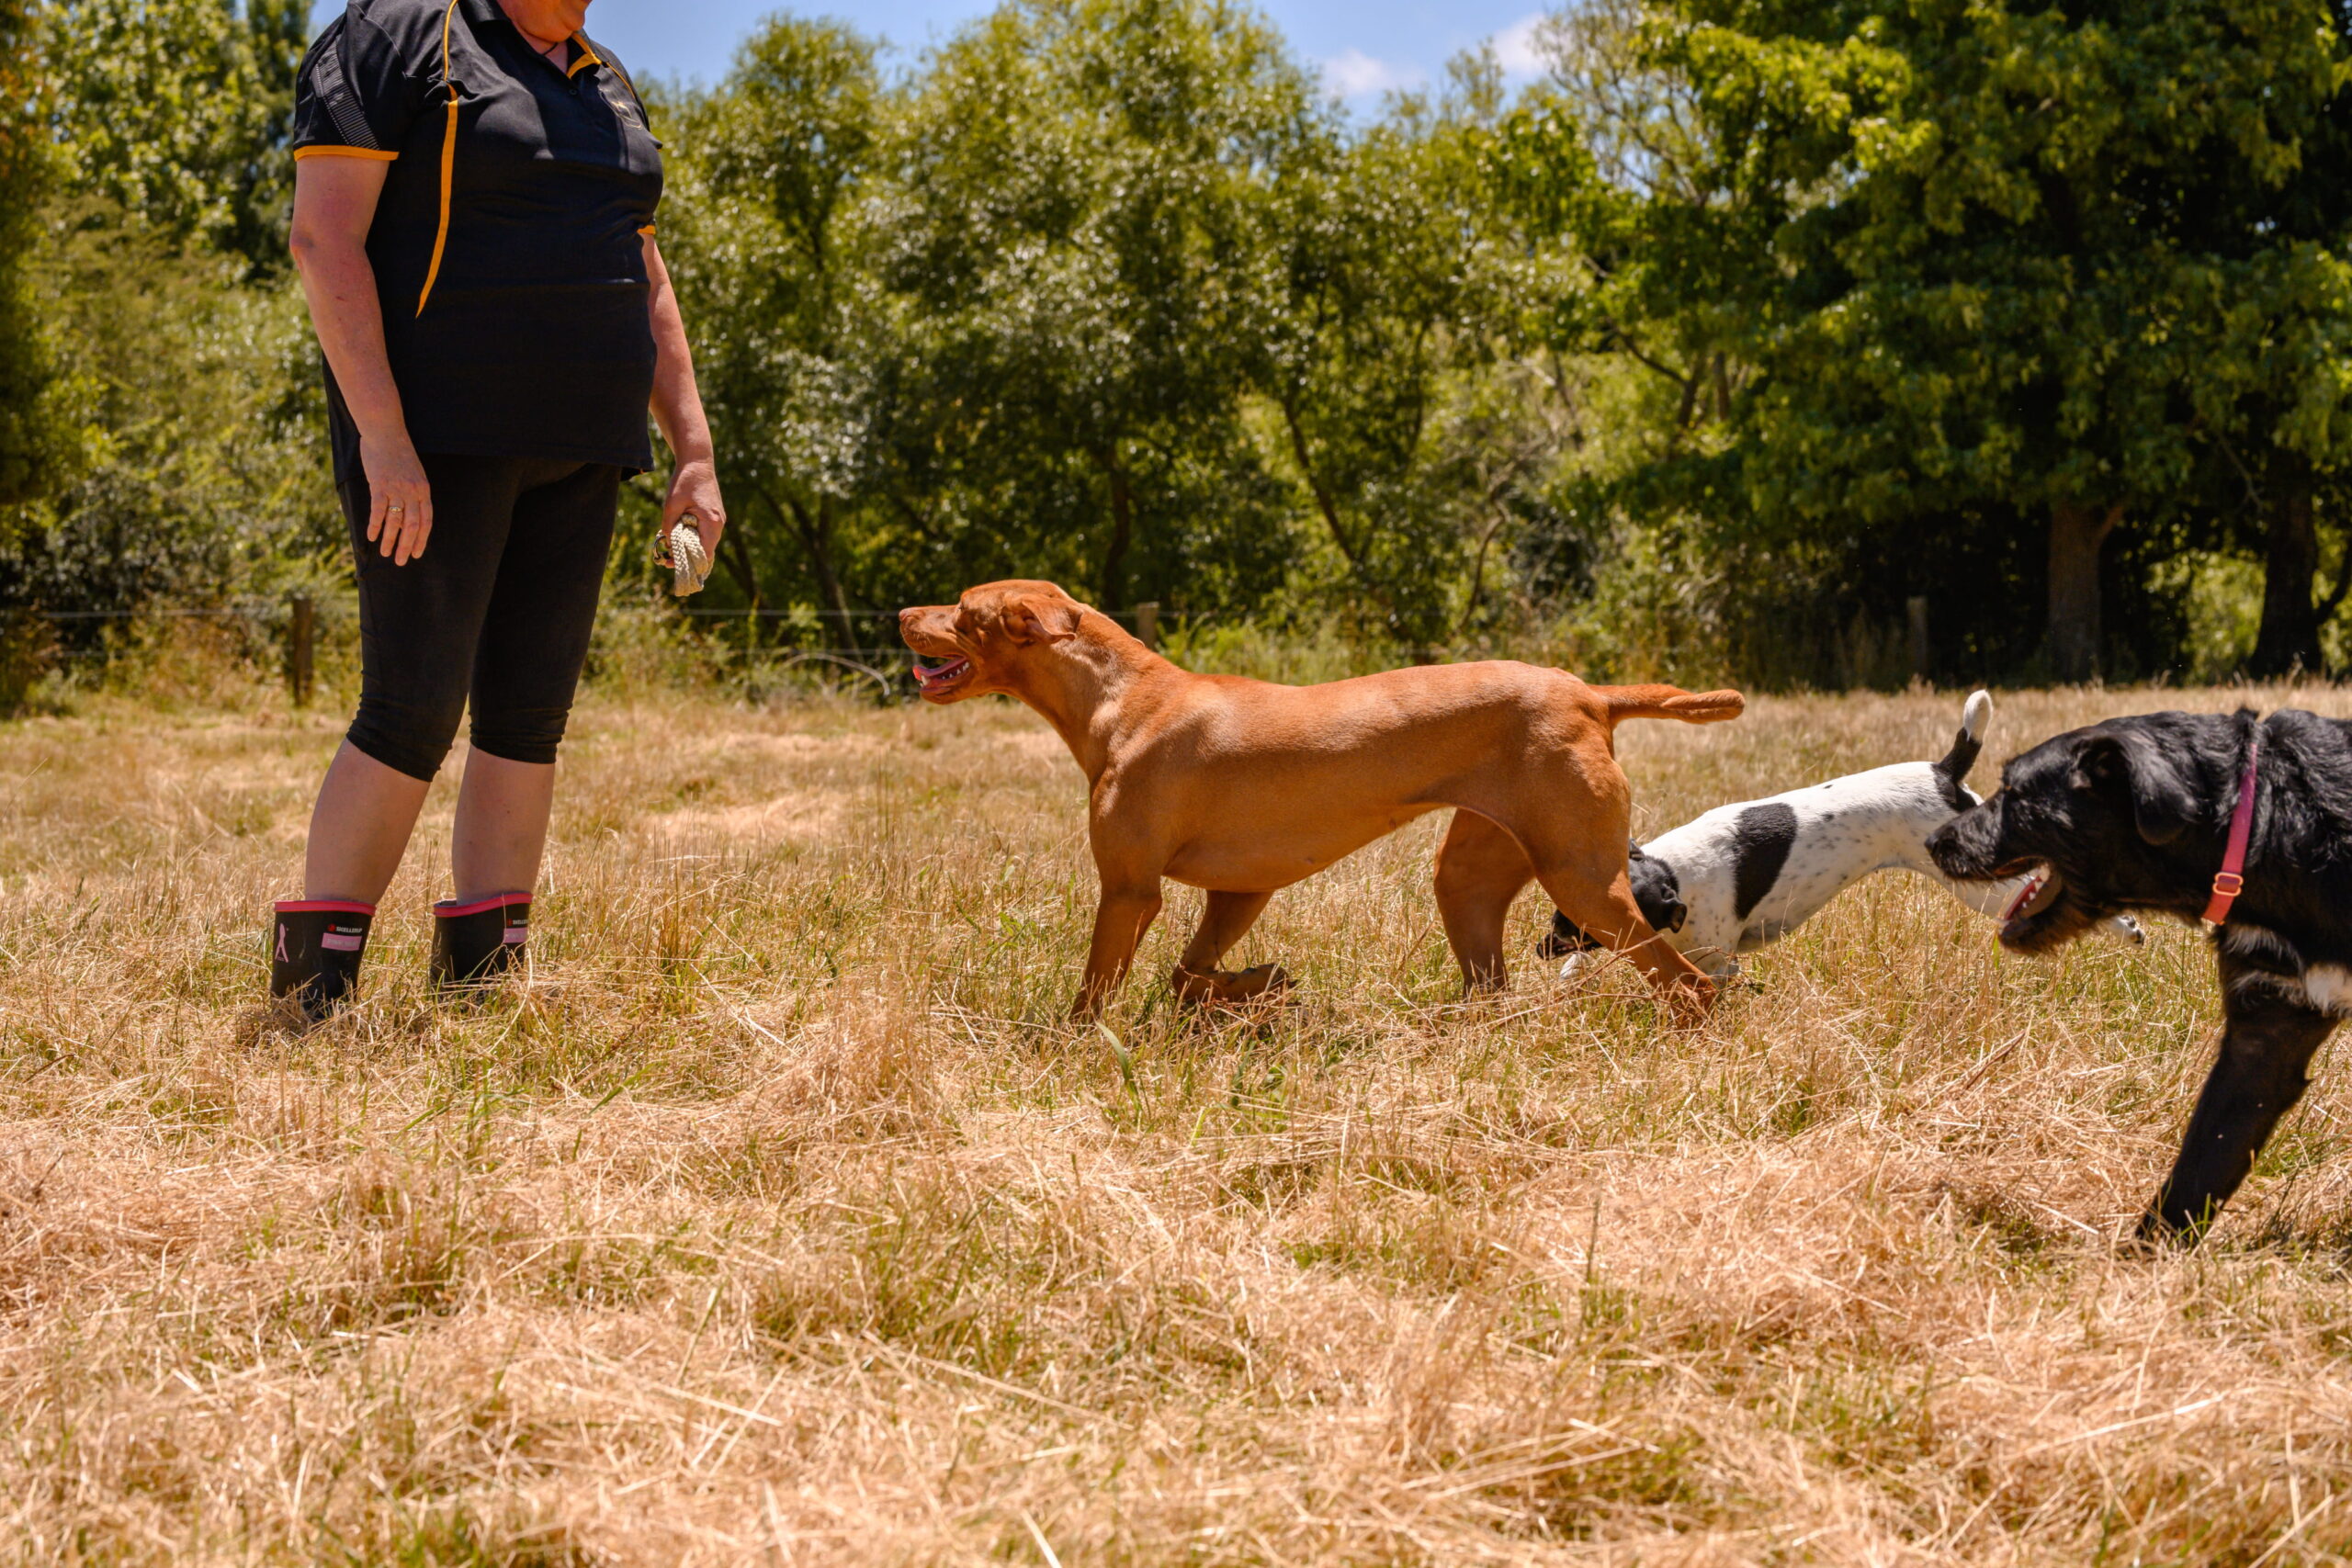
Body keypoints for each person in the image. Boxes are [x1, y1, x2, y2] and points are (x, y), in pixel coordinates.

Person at [269, 0, 724, 1021]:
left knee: (528, 717)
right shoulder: (395, 36)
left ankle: (482, 990)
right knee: (412, 708)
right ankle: (312, 999)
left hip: (586, 447)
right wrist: (384, 438)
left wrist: (693, 452)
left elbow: (644, 269)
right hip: (436, 445)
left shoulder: (605, 78)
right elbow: (323, 239)